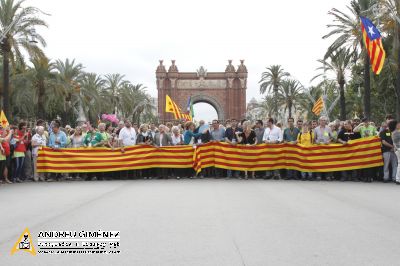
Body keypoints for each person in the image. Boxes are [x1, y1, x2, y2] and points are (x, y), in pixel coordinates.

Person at [313, 116, 333, 181]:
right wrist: (316, 142)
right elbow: (314, 139)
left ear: (326, 121)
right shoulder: (316, 129)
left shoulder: (328, 128)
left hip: (326, 148)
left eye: (324, 120)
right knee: (319, 162)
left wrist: (329, 141)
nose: (323, 122)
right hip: (319, 148)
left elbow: (332, 137)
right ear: (319, 121)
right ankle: (318, 175)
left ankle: (327, 176)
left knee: (327, 162)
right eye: (321, 120)